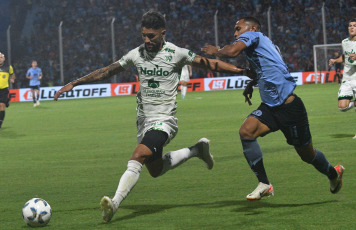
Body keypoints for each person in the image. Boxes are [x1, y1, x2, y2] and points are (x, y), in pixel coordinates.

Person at [54, 11, 249, 222]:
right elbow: (106, 71)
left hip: (165, 121)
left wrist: (242, 71)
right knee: (155, 170)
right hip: (144, 121)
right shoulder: (136, 54)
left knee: (137, 156)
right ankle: (196, 150)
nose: (147, 40)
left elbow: (212, 63)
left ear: (163, 33)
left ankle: (114, 203)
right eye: (144, 35)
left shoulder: (177, 53)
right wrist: (74, 83)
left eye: (151, 36)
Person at [202, 16, 345, 200]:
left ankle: (333, 174)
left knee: (307, 155)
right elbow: (265, 69)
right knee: (246, 131)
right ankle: (264, 183)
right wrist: (251, 83)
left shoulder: (254, 36)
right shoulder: (261, 45)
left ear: (252, 28)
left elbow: (232, 51)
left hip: (290, 107)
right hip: (270, 107)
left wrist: (218, 51)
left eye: (238, 29)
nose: (235, 33)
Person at [329, 18, 356, 139]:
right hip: (347, 78)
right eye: (350, 25)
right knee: (342, 107)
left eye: (354, 26)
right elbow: (344, 58)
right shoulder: (344, 42)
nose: (351, 27)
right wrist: (335, 60)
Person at [0, 52, 15, 129]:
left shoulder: (8, 67)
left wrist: (12, 78)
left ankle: (0, 122)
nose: (0, 59)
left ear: (4, 59)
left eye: (1, 57)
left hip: (3, 90)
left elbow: (12, 74)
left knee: (2, 106)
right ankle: (6, 101)